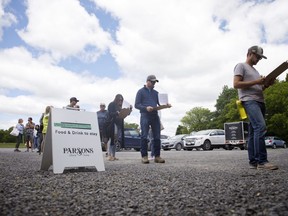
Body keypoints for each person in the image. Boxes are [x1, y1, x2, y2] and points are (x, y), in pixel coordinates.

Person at [233, 45, 278, 170]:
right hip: (249, 101)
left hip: (259, 101)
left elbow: (259, 88)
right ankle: (262, 161)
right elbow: (236, 84)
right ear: (250, 53)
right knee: (260, 127)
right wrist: (257, 82)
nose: (259, 59)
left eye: (260, 58)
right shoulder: (241, 66)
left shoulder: (256, 72)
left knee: (254, 132)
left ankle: (253, 161)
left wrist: (266, 84)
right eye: (257, 56)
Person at [135, 75, 168, 164]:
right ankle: (144, 156)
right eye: (152, 82)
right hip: (145, 115)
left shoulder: (156, 93)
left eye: (155, 82)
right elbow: (136, 105)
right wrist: (146, 108)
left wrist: (166, 105)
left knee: (157, 136)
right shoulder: (140, 92)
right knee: (144, 136)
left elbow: (160, 103)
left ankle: (157, 156)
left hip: (154, 115)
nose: (154, 84)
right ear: (147, 81)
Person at [105, 94, 126, 161]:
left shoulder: (120, 107)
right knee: (112, 138)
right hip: (112, 123)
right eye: (119, 100)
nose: (120, 101)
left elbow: (123, 114)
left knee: (115, 140)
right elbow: (110, 113)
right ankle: (109, 155)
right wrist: (116, 113)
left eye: (121, 100)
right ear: (116, 99)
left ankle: (113, 155)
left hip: (119, 123)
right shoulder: (111, 104)